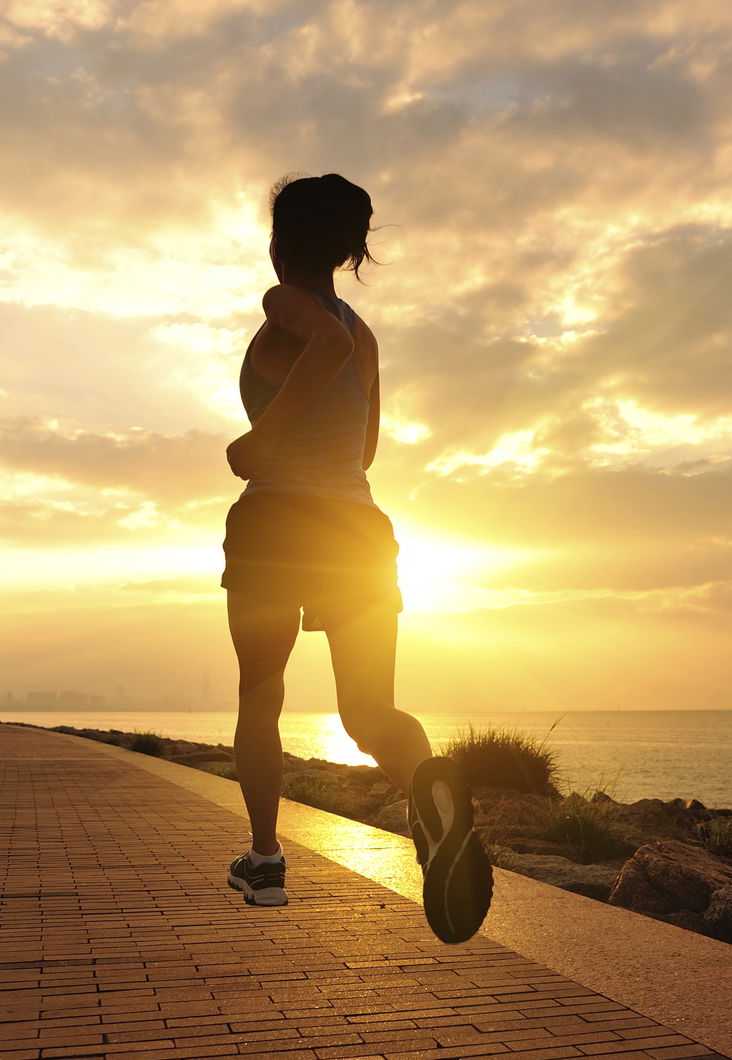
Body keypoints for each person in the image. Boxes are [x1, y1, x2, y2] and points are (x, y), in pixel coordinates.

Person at [219, 172, 491, 943]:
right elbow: (366, 445)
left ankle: (266, 860)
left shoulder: (287, 305)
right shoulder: (363, 332)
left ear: (279, 243)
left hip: (277, 522)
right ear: (349, 250)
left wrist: (266, 438)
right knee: (368, 712)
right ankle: (431, 803)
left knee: (261, 692)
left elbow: (323, 343)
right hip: (357, 529)